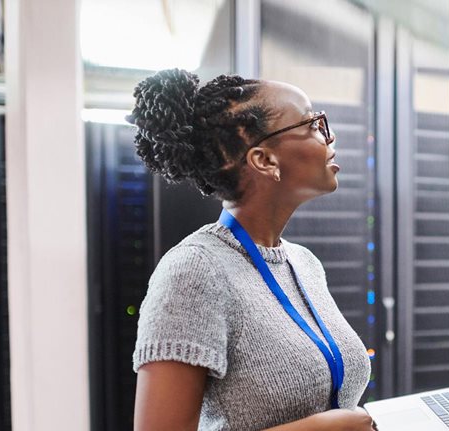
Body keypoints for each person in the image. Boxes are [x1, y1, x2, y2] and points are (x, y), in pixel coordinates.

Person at [126, 69, 376, 431]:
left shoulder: (304, 264)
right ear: (264, 160)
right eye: (313, 124)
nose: (329, 136)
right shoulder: (194, 271)